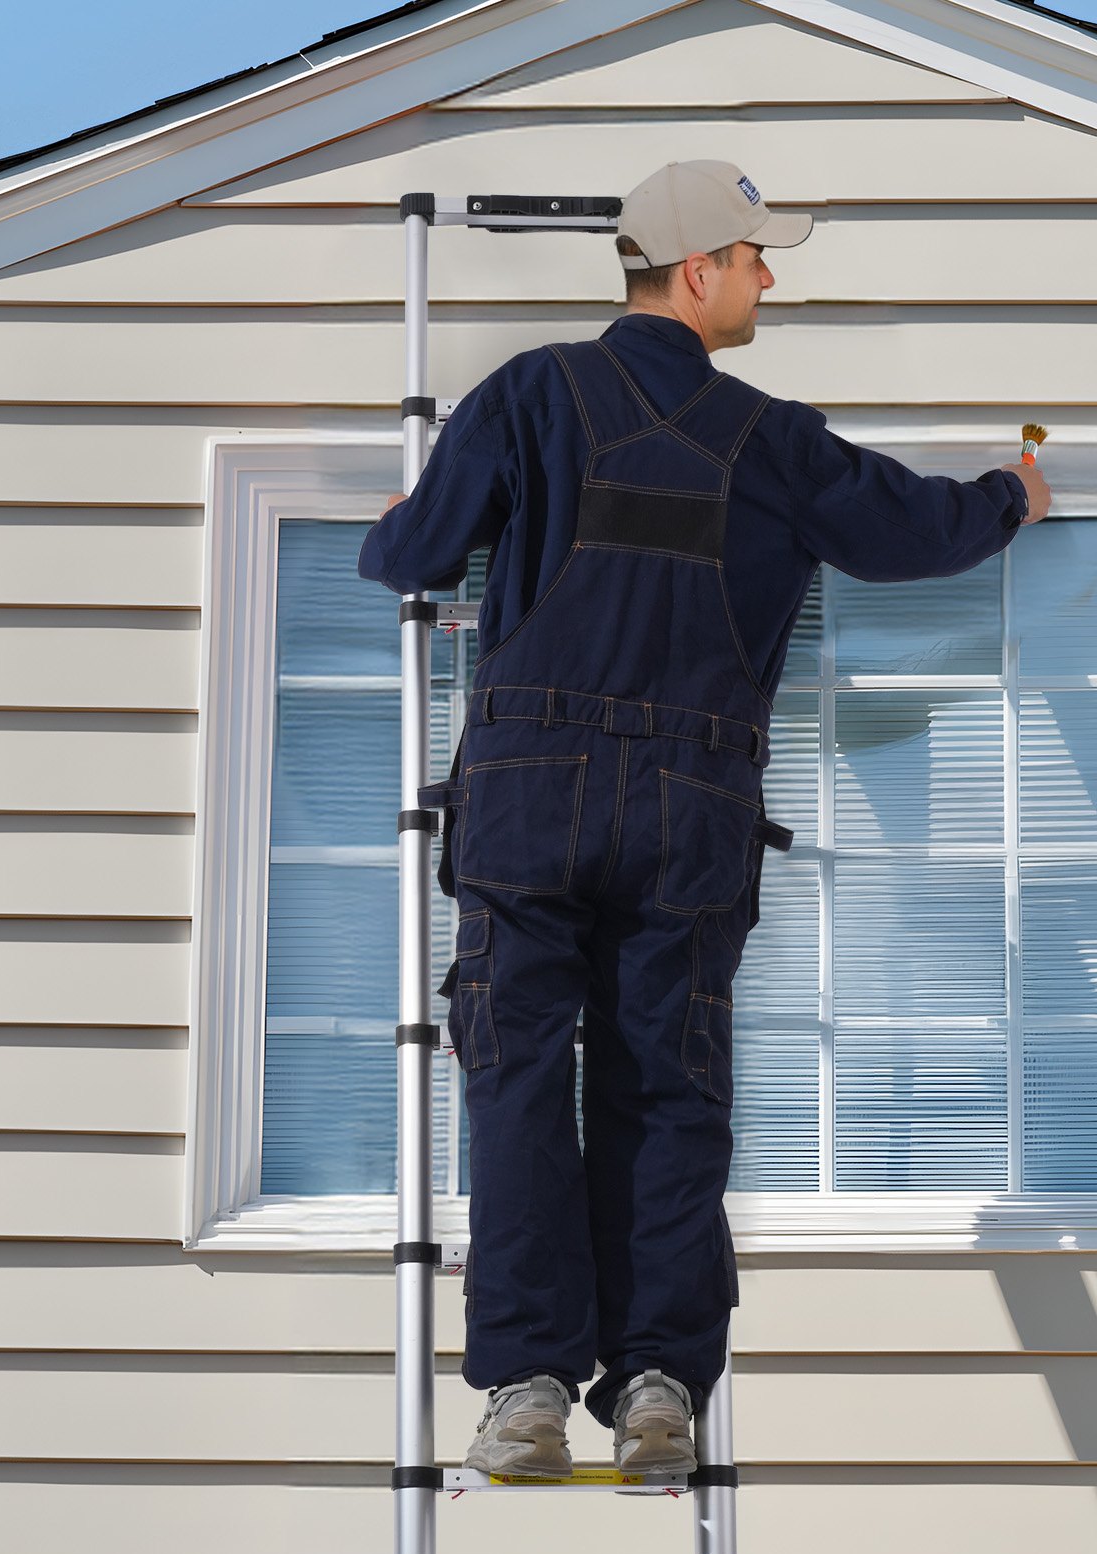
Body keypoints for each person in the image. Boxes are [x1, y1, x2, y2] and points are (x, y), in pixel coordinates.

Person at [358, 158, 1051, 1479]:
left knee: (515, 1079)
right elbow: (911, 531)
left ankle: (527, 1390)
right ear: (697, 271)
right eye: (754, 258)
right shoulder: (771, 440)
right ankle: (660, 1382)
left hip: (527, 799)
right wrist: (1014, 493)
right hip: (689, 809)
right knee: (667, 1091)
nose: (767, 279)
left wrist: (396, 532)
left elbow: (418, 553)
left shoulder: (530, 396)